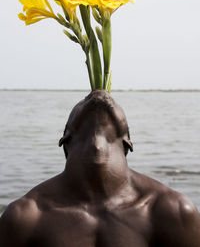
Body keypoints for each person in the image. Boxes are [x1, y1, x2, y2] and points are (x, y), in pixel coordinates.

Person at [0, 90, 200, 247]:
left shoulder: (171, 211)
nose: (97, 94)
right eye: (83, 102)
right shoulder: (26, 217)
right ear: (65, 140)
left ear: (128, 143)